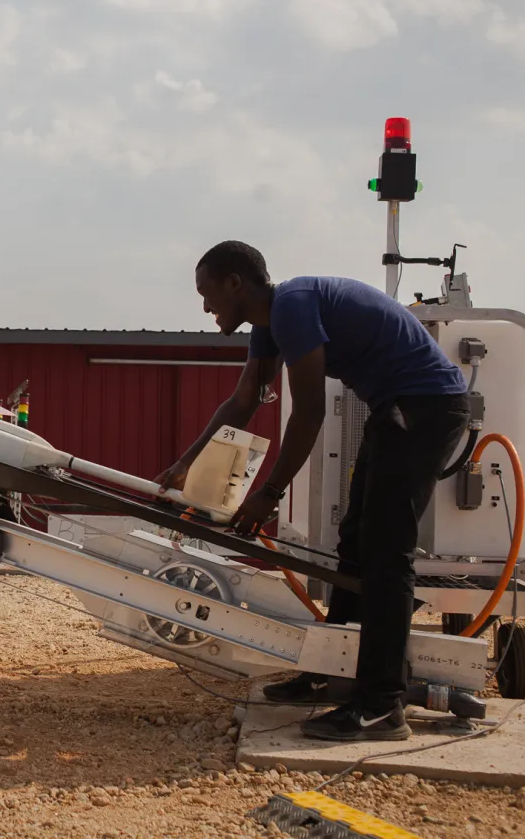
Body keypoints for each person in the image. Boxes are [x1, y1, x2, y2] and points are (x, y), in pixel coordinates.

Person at [157, 241, 469, 741]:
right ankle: (335, 674)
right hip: (398, 406)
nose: (205, 306)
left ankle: (381, 706)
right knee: (355, 543)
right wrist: (183, 463)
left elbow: (309, 412)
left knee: (387, 555)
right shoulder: (269, 323)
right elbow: (243, 402)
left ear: (236, 283)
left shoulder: (294, 307)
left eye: (207, 293)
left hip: (427, 408)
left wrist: (270, 494)